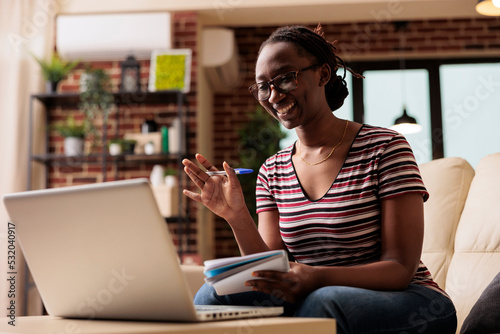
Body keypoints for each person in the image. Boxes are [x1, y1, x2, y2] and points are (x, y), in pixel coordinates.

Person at [182, 24, 457, 334]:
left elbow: (399, 269)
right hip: (317, 294)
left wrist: (316, 276)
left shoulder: (385, 148)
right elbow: (271, 274)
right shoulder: (272, 170)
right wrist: (236, 216)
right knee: (210, 295)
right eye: (263, 86)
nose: (273, 95)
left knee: (324, 303)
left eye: (286, 77)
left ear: (323, 74)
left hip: (409, 300)